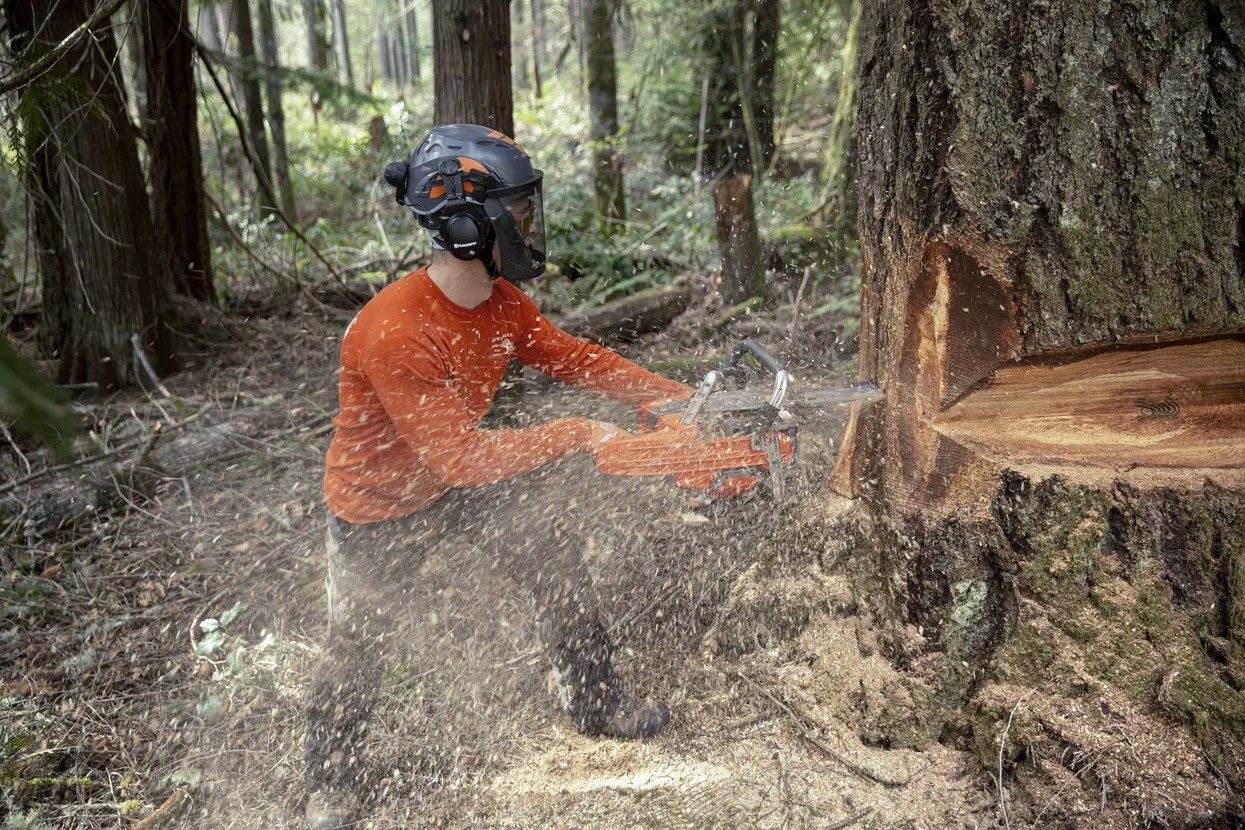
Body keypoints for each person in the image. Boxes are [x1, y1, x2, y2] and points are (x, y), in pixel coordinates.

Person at [303, 124, 693, 828]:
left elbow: (577, 360)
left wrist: (675, 400)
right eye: (516, 209)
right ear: (464, 223)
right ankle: (331, 784)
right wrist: (579, 433)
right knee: (358, 642)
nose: (528, 221)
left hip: (461, 480)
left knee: (555, 563)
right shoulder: (394, 330)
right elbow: (456, 456)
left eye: (526, 206)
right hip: (377, 504)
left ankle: (595, 702)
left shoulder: (503, 303)